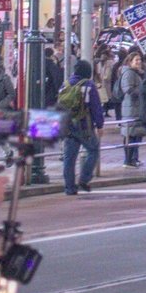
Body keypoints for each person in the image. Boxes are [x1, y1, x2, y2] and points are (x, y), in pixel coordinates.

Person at [57, 61, 104, 197]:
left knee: (69, 158)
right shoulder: (88, 85)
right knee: (93, 150)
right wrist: (100, 125)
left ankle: (69, 188)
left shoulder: (65, 85)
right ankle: (84, 179)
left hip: (68, 126)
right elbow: (96, 107)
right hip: (84, 126)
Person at [116, 50, 145, 168]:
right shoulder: (129, 73)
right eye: (136, 60)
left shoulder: (136, 73)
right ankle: (128, 160)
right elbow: (128, 89)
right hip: (131, 108)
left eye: (140, 60)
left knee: (136, 133)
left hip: (136, 108)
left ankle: (134, 158)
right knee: (131, 134)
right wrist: (143, 91)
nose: (139, 62)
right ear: (130, 61)